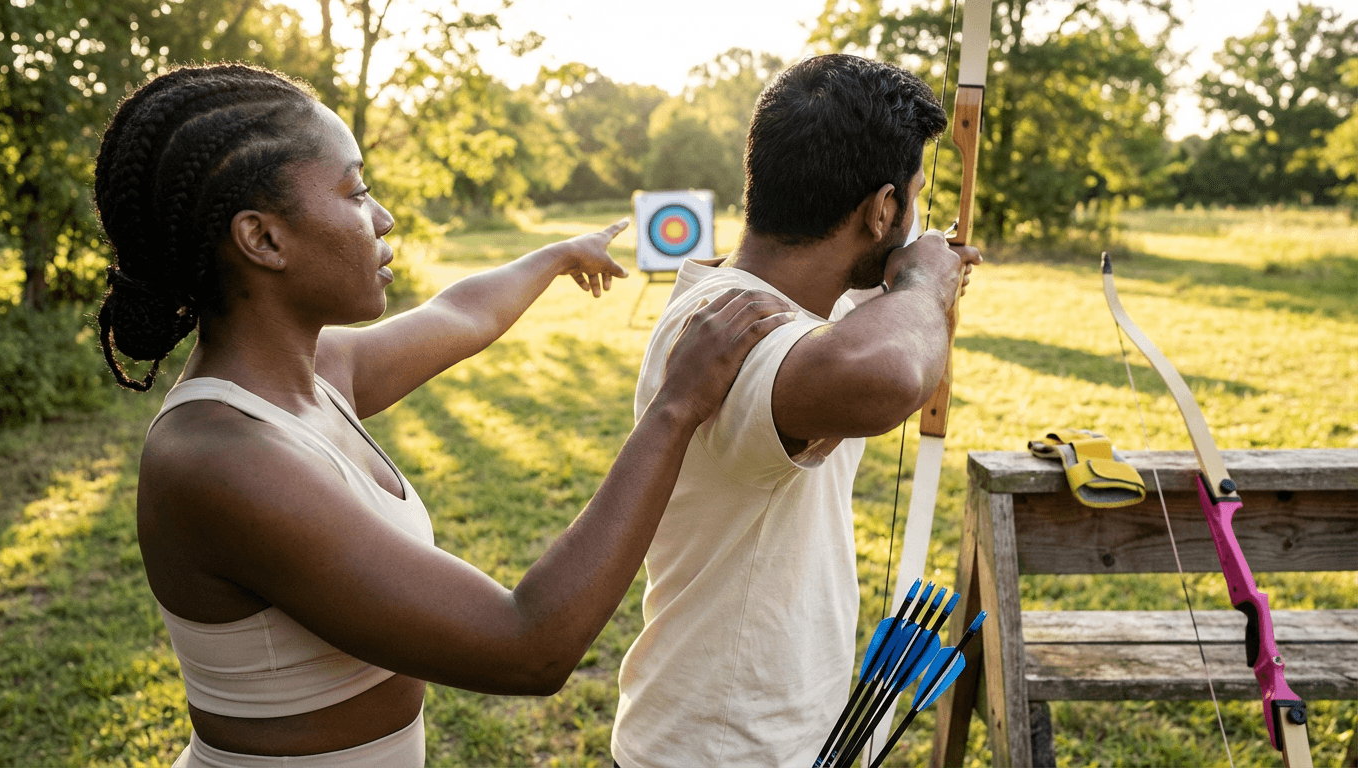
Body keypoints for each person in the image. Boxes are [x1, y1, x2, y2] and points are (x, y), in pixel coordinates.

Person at [92, 63, 792, 767]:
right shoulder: (223, 459)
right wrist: (675, 407)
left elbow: (459, 312)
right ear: (264, 240)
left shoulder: (314, 373)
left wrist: (555, 256)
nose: (382, 217)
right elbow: (529, 647)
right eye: (356, 190)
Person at [610, 54, 984, 767]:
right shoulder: (738, 332)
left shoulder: (760, 297)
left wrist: (916, 286)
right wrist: (924, 288)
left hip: (754, 736)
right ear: (882, 210)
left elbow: (857, 320)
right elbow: (890, 371)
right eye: (909, 200)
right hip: (720, 752)